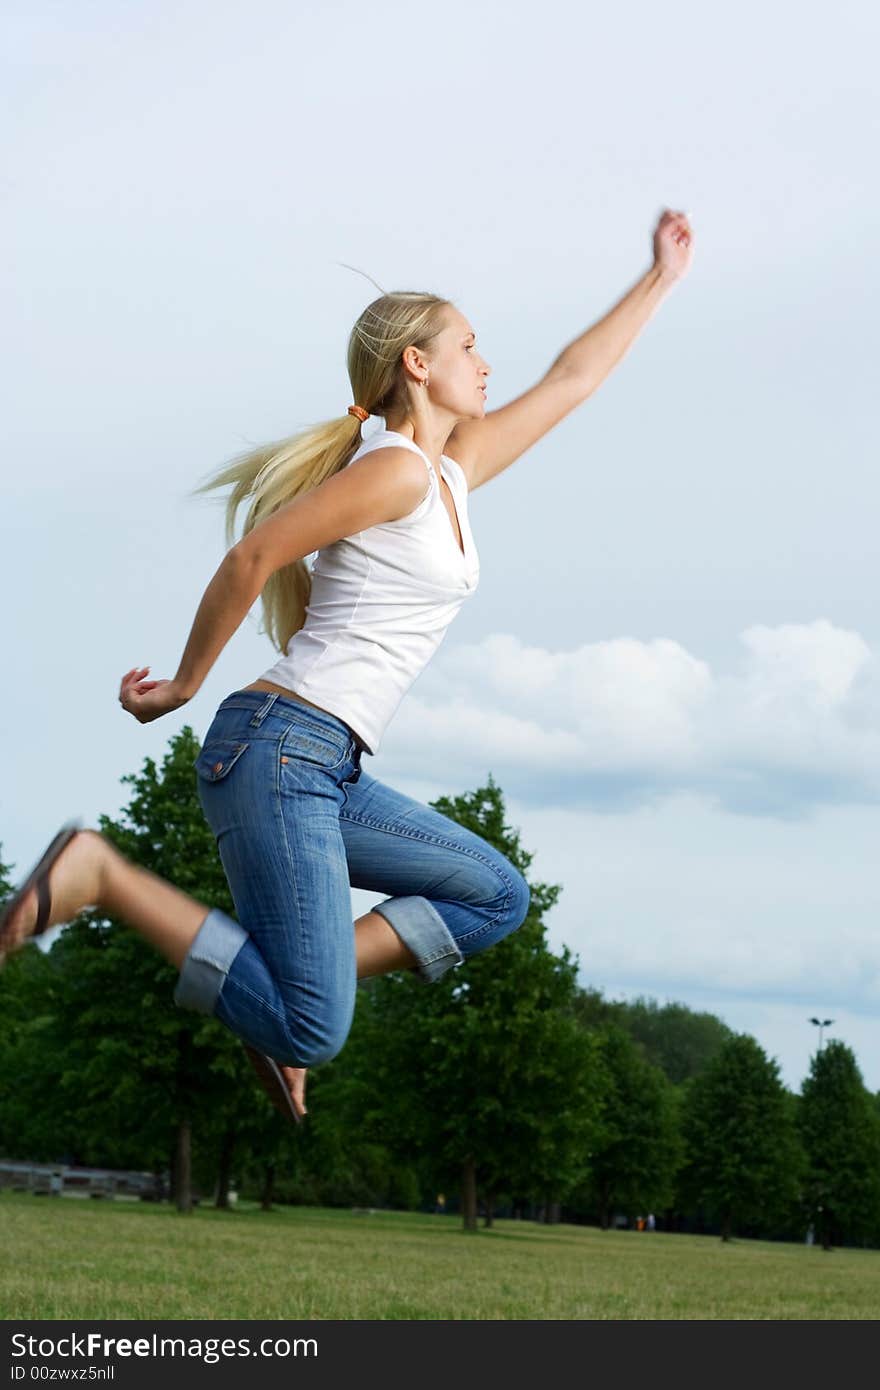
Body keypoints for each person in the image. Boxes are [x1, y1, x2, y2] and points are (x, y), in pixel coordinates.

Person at [0, 210, 694, 1122]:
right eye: (470, 345)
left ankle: (271, 984)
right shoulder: (397, 471)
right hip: (281, 749)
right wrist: (180, 685)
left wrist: (660, 280)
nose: (487, 363)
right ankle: (102, 877)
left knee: (494, 893)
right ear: (418, 363)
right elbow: (254, 555)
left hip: (322, 764)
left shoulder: (448, 473)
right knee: (315, 1031)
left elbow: (573, 380)